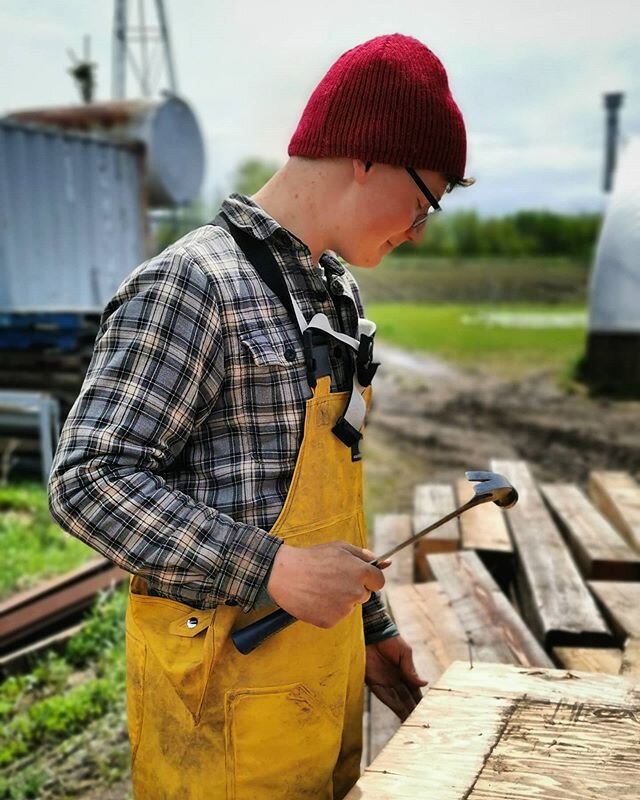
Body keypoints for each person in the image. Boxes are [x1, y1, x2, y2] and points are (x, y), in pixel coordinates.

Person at [49, 32, 471, 800]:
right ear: (367, 156)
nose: (419, 229)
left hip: (318, 689)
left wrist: (370, 634)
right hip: (218, 722)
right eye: (424, 201)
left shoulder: (333, 295)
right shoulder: (193, 285)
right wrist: (270, 569)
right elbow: (87, 480)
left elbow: (328, 498)